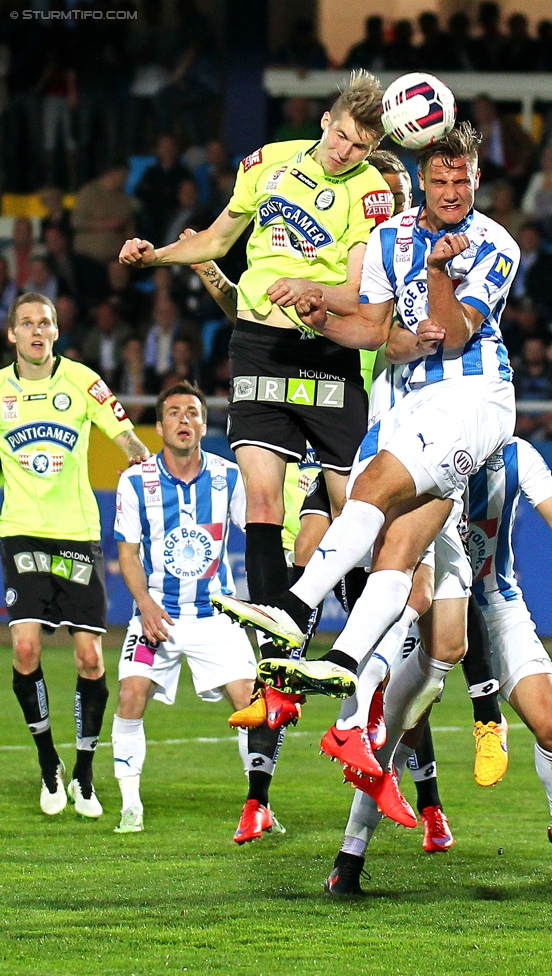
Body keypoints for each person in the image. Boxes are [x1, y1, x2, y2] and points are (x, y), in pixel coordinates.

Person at [212, 122, 519, 817]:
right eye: (438, 179)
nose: (449, 191)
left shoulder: (496, 243)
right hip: (402, 406)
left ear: (475, 179)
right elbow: (372, 329)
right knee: (395, 554)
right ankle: (348, 688)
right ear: (420, 175)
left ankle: (292, 611)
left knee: (377, 504)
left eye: (460, 180)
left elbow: (458, 331)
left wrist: (440, 271)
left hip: (471, 400)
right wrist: (316, 310)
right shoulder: (386, 240)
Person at [119, 70, 392, 649]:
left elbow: (358, 289)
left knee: (354, 508)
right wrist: (158, 256)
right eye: (342, 135)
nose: (346, 152)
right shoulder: (267, 161)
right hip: (258, 348)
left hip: (326, 350)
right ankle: (276, 649)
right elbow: (218, 239)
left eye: (361, 146)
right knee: (263, 498)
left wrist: (310, 290)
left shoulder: (371, 191)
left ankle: (373, 650)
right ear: (326, 120)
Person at [325, 440, 552, 899]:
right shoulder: (424, 445)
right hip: (430, 607)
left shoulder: (517, 457)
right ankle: (349, 859)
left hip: (496, 608)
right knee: (396, 730)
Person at [0, 292, 149, 817]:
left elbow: (121, 426)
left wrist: (132, 445)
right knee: (24, 651)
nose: (37, 331)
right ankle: (49, 765)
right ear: (12, 334)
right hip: (20, 531)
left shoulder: (82, 379)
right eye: (26, 324)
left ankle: (84, 772)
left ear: (56, 332)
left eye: (45, 323)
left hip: (77, 533)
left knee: (89, 658)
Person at [111, 382, 258, 834]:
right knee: (131, 694)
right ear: (158, 428)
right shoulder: (136, 480)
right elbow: (129, 553)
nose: (183, 420)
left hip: (216, 615)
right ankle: (130, 806)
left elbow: (257, 529)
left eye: (192, 412)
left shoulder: (228, 476)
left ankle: (260, 804)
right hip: (159, 617)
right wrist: (144, 604)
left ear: (203, 423)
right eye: (173, 413)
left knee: (252, 705)